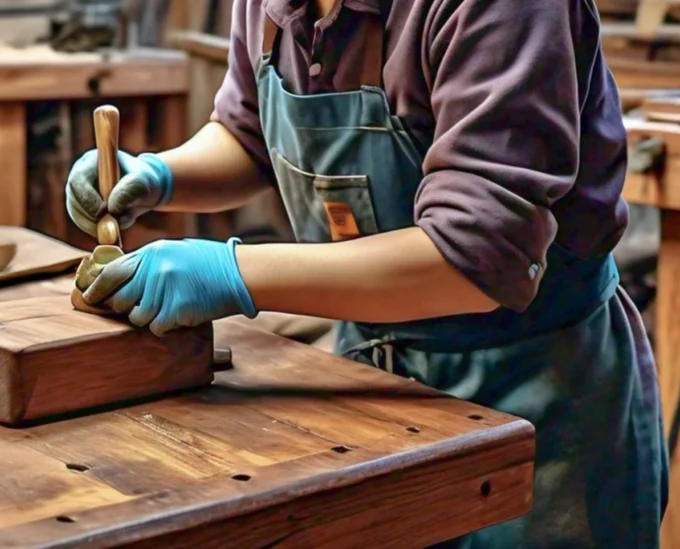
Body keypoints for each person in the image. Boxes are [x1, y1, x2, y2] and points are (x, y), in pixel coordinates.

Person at [65, 1, 668, 546]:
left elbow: (477, 256)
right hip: (366, 381)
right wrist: (159, 175)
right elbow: (247, 135)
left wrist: (232, 271)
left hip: (533, 391)